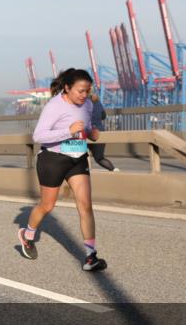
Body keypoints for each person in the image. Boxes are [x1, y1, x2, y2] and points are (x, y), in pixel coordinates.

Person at [17, 68, 106, 272]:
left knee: (85, 206)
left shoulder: (88, 104)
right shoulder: (54, 106)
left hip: (77, 158)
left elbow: (84, 127)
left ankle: (90, 257)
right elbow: (38, 136)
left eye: (87, 91)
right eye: (80, 91)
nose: (84, 95)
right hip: (53, 159)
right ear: (67, 88)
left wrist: (91, 133)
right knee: (47, 205)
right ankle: (27, 235)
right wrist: (68, 131)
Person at [88, 93, 118, 172]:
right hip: (100, 132)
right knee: (99, 158)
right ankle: (114, 170)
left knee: (80, 155)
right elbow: (103, 116)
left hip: (88, 133)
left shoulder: (82, 103)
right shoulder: (98, 102)